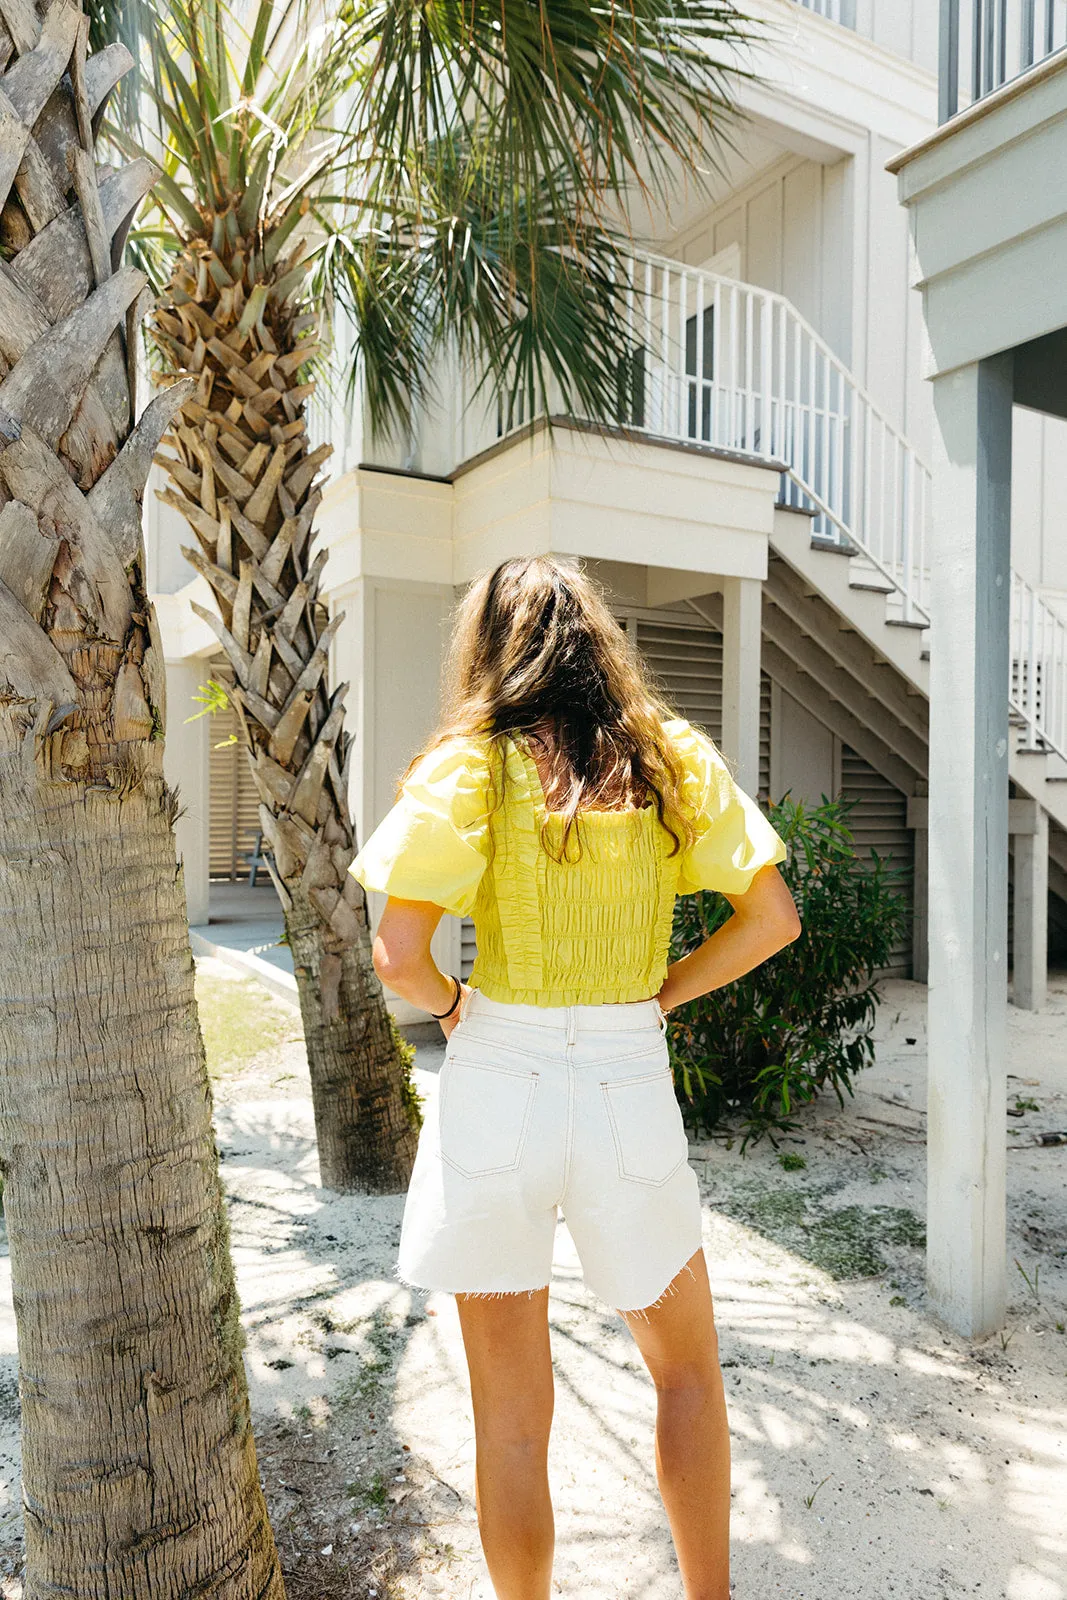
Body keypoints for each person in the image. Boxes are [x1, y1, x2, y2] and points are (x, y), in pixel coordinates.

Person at [350, 555, 801, 1600]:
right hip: (623, 1080)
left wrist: (459, 1010)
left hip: (495, 1080)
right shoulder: (665, 759)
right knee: (685, 1373)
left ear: (490, 650)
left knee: (510, 1421)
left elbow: (399, 957)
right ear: (599, 641)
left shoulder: (474, 763)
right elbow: (771, 918)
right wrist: (664, 994)